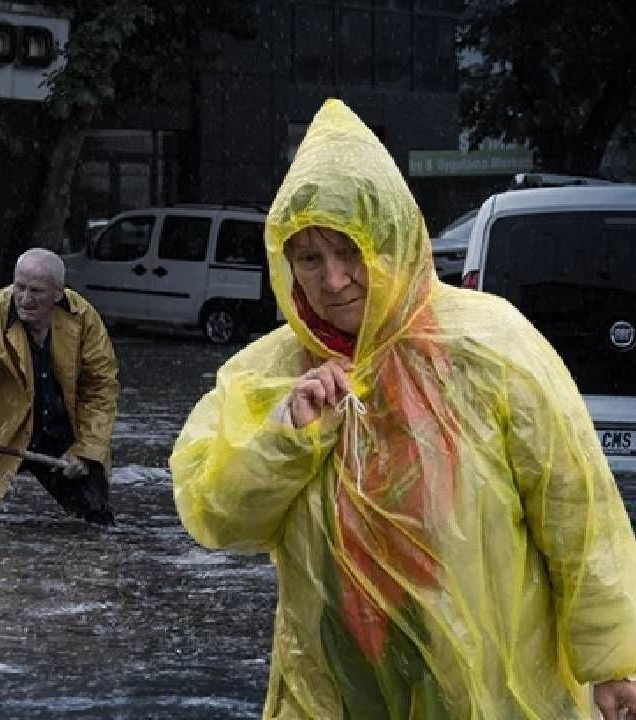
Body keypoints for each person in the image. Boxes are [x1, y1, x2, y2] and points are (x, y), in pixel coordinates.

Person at [169, 99, 636, 719]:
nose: (333, 281)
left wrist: (615, 662)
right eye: (310, 258)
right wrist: (288, 437)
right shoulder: (268, 373)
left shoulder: (489, 345)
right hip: (334, 685)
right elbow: (216, 516)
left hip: (485, 684)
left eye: (351, 251)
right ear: (286, 267)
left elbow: (577, 512)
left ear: (391, 243)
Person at [0, 248, 118, 524]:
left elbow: (100, 389)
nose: (25, 299)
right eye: (19, 287)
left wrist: (87, 450)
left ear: (58, 294)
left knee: (97, 521)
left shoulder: (83, 318)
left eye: (36, 291)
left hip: (61, 435)